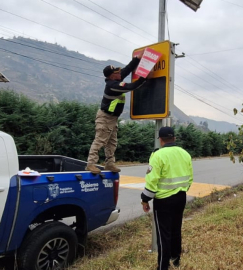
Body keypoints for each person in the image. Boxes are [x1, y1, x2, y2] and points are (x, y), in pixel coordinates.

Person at [85, 51, 149, 174]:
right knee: (100, 140)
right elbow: (132, 86)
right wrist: (144, 77)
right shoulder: (112, 85)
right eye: (117, 73)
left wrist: (137, 58)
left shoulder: (117, 78)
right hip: (105, 117)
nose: (120, 73)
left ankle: (110, 164)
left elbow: (128, 68)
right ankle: (91, 164)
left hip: (113, 118)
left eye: (119, 72)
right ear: (111, 76)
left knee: (112, 143)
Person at [141, 126, 193, 270]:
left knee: (164, 235)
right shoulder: (185, 154)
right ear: (174, 138)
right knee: (176, 230)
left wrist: (145, 199)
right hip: (181, 198)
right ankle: (176, 261)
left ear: (160, 140)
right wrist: (181, 191)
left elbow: (152, 181)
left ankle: (163, 267)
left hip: (163, 201)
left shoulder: (157, 155)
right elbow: (189, 179)